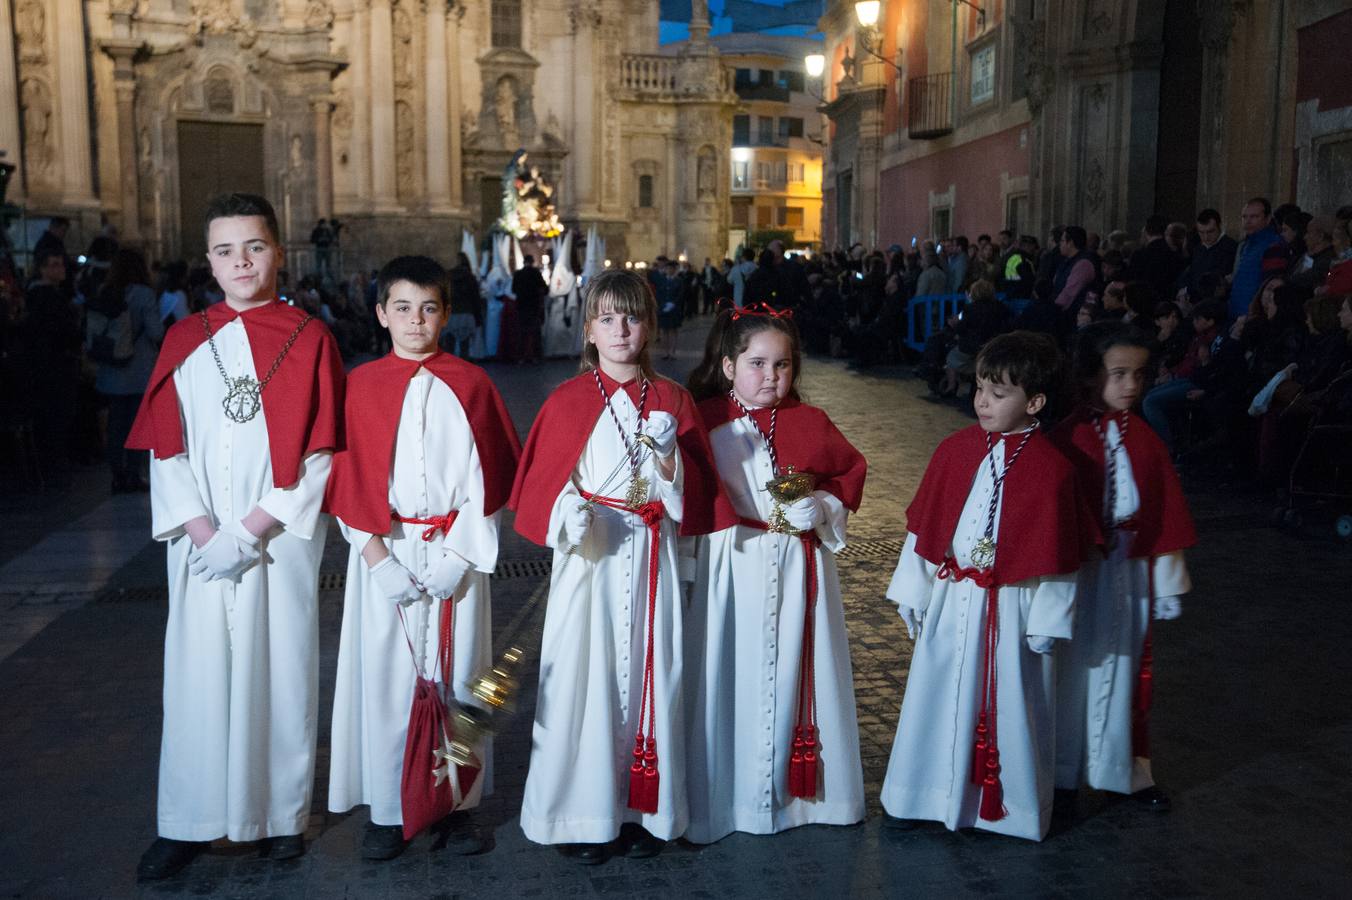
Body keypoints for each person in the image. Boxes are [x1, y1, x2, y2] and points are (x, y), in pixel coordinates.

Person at [128, 193, 345, 880]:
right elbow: (167, 449)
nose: (240, 261)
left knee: (277, 673)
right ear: (209, 262)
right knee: (194, 679)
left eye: (253, 247)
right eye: (225, 250)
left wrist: (248, 529)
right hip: (199, 543)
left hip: (274, 541)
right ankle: (188, 822)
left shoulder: (309, 337)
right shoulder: (184, 339)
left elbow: (321, 455)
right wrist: (202, 532)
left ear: (278, 252)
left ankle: (278, 818)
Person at [508, 270, 730, 863]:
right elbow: (546, 487)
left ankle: (643, 813)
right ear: (588, 330)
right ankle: (582, 815)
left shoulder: (674, 399)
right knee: (586, 681)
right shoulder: (566, 400)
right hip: (591, 562)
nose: (621, 330)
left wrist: (667, 462)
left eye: (632, 318)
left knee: (656, 678)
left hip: (650, 554)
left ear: (650, 326)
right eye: (607, 318)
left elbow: (694, 494)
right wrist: (566, 516)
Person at [324, 256, 521, 859]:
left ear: (447, 314)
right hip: (388, 552)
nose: (416, 321)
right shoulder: (359, 386)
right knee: (386, 680)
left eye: (429, 308)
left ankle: (458, 807)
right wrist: (378, 558)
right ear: (381, 313)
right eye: (402, 308)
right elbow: (347, 479)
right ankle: (389, 809)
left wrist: (460, 554)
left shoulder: (472, 383)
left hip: (455, 557)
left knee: (462, 680)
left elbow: (486, 482)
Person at [879, 331, 1093, 841]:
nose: (982, 402)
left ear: (1035, 402)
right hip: (954, 599)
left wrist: (1048, 619)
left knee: (1014, 705)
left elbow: (1060, 557)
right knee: (935, 696)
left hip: (1014, 607)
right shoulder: (955, 451)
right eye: (979, 388)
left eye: (999, 394)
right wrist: (915, 589)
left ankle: (1007, 808)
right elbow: (925, 528)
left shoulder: (1052, 470)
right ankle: (921, 795)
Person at [683, 307, 867, 844]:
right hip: (731, 566)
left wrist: (824, 506)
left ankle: (806, 801)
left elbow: (845, 474)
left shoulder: (810, 421)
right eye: (757, 363)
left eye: (782, 365)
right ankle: (727, 798)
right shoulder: (705, 418)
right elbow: (688, 499)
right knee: (728, 674)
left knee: (803, 671)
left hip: (799, 567)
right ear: (727, 365)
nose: (771, 377)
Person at [1052, 322, 1195, 812]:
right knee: (1069, 671)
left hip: (1128, 570)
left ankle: (1124, 773)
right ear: (1092, 375)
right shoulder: (1068, 436)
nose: (1131, 385)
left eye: (1138, 374)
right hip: (1080, 573)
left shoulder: (1147, 440)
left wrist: (1167, 581)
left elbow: (1163, 512)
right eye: (1118, 374)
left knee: (1127, 667)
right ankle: (1061, 773)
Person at [86, 248, 164, 493]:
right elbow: (155, 332)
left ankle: (116, 474)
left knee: (116, 424)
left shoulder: (105, 291)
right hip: (138, 368)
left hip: (111, 367)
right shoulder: (144, 294)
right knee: (137, 425)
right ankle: (133, 474)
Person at [1229, 198, 1281, 321]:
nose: (1248, 221)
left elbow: (1271, 283)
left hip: (1254, 316)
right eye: (1244, 217)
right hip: (1236, 311)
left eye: (1254, 216)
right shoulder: (1245, 245)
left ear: (1267, 219)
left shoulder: (1274, 245)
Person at [511, 254, 548, 363]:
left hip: (521, 306)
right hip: (534, 306)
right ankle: (536, 356)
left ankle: (521, 357)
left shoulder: (518, 274)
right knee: (535, 333)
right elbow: (545, 289)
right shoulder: (536, 273)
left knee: (522, 333)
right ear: (532, 262)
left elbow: (513, 289)